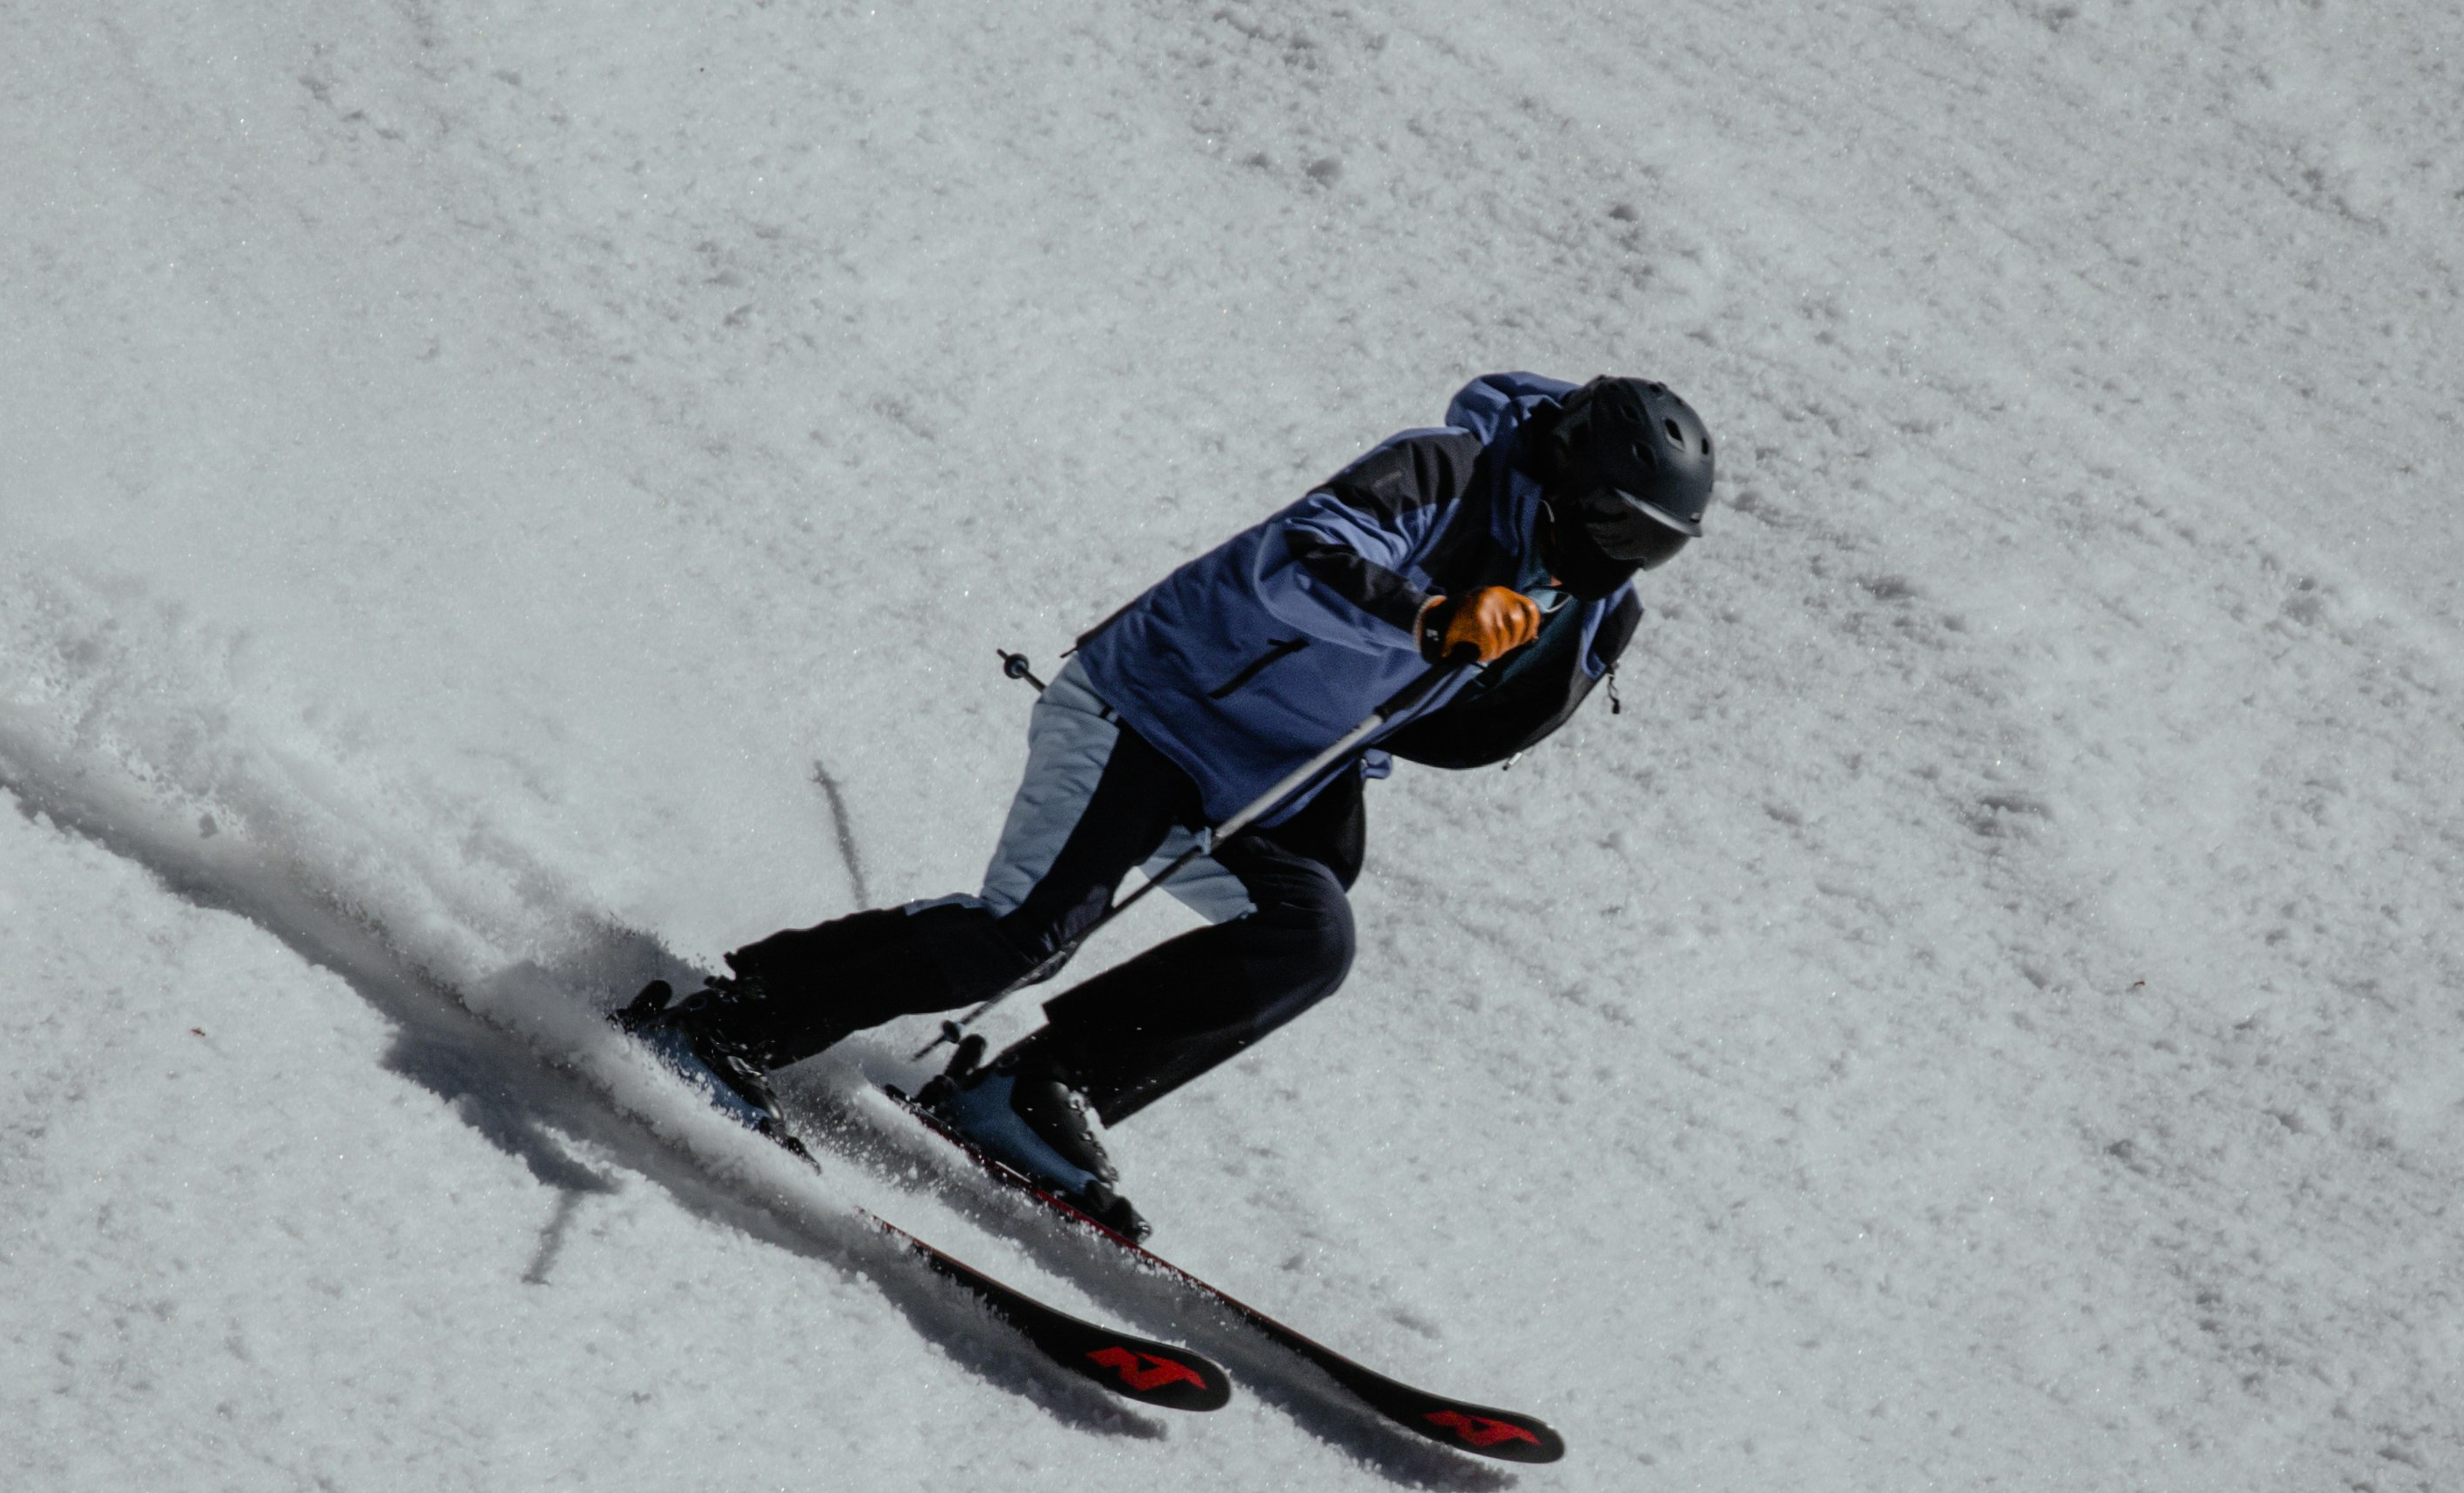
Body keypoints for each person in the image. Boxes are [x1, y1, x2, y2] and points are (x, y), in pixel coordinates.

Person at [623, 370, 1714, 1235]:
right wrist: (1432, 616)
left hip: (1269, 772)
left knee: (1308, 938)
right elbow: (1299, 559)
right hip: (1152, 706)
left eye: (1651, 550)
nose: (1622, 561)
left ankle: (1033, 1092)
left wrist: (1537, 652)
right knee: (1019, 937)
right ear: (1569, 469)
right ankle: (730, 1025)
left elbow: (1460, 732)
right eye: (1618, 529)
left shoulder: (1585, 601)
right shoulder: (1447, 471)